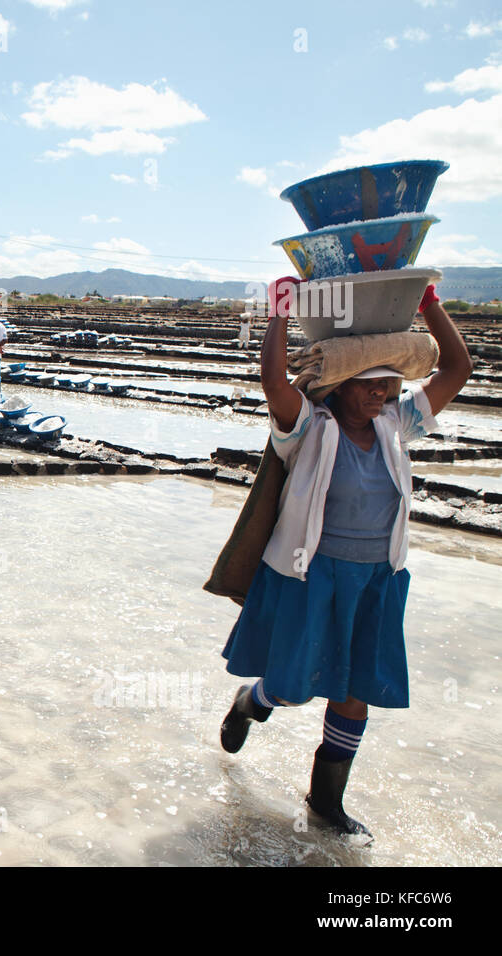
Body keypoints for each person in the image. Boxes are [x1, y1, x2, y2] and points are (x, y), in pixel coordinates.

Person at [218, 278, 472, 840]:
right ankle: (250, 700)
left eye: (387, 382)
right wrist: (279, 312)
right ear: (337, 389)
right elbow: (273, 381)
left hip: (378, 579)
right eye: (368, 384)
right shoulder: (308, 430)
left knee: (356, 690)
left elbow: (457, 368)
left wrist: (429, 303)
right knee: (290, 684)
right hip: (316, 576)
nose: (381, 392)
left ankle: (325, 802)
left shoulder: (394, 427)